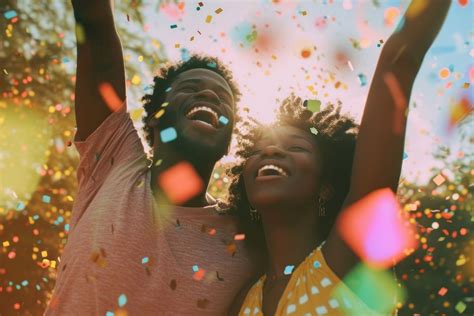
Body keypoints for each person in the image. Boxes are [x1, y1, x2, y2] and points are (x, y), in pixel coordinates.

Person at [227, 1, 452, 315]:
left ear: (327, 186)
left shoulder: (350, 256)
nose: (271, 151)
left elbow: (398, 61)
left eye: (297, 148)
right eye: (258, 150)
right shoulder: (241, 301)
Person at [46, 1, 258, 315]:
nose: (211, 96)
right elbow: (96, 31)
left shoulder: (248, 238)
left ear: (227, 145)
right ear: (155, 118)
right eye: (190, 87)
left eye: (223, 98)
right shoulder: (114, 160)